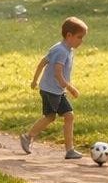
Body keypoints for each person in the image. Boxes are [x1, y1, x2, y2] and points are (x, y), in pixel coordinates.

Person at [19, 17, 88, 159]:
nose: (81, 41)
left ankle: (69, 150)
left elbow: (42, 63)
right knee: (54, 116)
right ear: (69, 35)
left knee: (64, 116)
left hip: (52, 89)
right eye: (79, 37)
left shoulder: (62, 48)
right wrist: (70, 88)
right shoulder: (61, 51)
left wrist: (35, 80)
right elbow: (58, 74)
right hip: (52, 90)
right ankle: (28, 137)